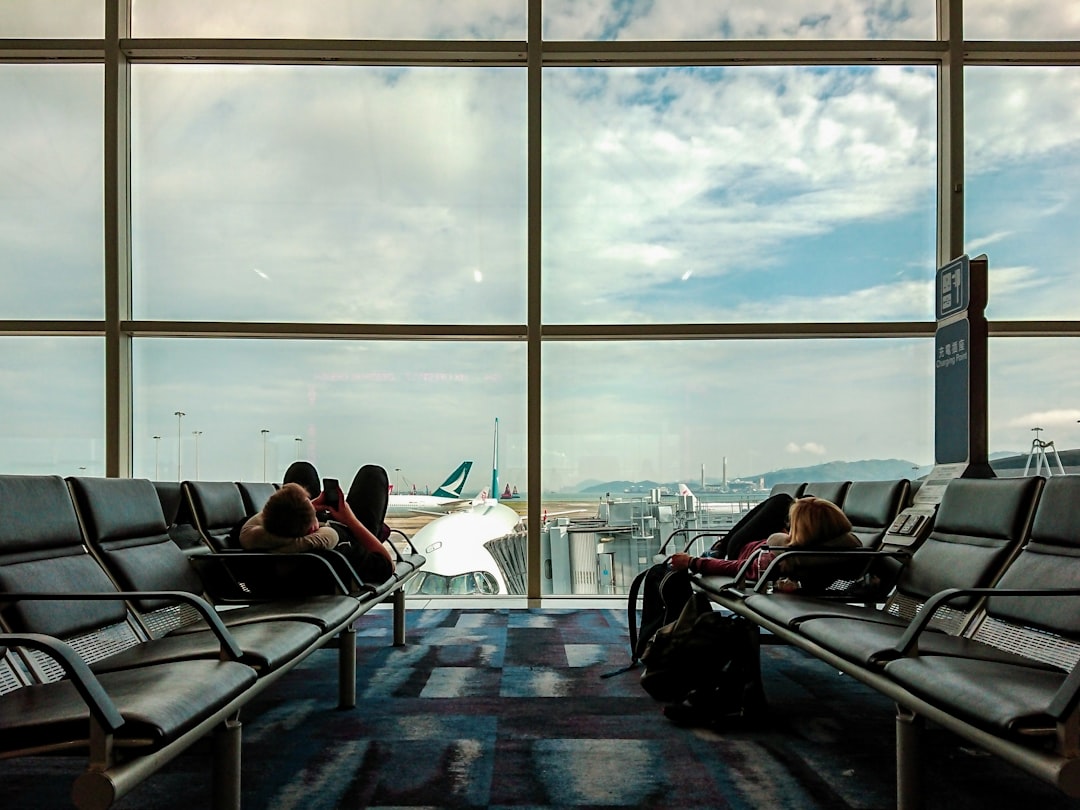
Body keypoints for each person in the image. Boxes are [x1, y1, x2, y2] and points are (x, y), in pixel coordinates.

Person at [239, 462, 394, 584]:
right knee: (373, 474)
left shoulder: (250, 541)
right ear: (313, 528)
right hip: (352, 538)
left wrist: (304, 507)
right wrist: (351, 521)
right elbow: (387, 565)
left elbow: (256, 521)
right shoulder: (340, 549)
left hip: (289, 552)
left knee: (301, 470)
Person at [668, 496, 860, 587]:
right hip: (765, 544)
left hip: (741, 548)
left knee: (781, 501)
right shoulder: (843, 547)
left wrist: (694, 562)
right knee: (783, 503)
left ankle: (721, 547)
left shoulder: (778, 560)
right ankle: (720, 546)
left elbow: (736, 567)